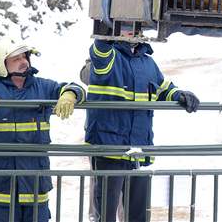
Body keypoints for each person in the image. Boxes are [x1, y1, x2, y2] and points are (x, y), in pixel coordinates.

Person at [0, 37, 85, 222]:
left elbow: (75, 87)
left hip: (35, 181)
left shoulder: (43, 87)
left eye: (25, 57)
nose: (23, 62)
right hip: (3, 184)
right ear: (2, 64)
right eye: (16, 59)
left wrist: (70, 94)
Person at [85, 38, 201, 222]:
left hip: (138, 149)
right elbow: (99, 54)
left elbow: (163, 88)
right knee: (105, 216)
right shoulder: (109, 56)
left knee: (138, 216)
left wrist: (180, 95)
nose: (132, 31)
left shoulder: (147, 62)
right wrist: (104, 35)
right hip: (109, 149)